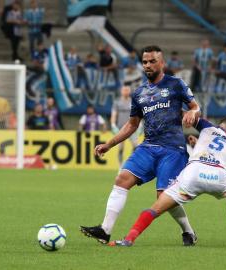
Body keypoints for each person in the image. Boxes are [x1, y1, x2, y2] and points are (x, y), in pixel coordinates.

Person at [80, 45, 201, 246]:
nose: (148, 65)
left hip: (172, 150)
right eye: (145, 62)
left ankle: (188, 231)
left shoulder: (176, 84)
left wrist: (192, 113)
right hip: (148, 146)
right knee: (122, 178)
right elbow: (132, 124)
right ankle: (105, 230)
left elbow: (196, 107)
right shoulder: (139, 93)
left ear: (162, 63)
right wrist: (109, 144)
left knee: (164, 197)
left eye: (152, 61)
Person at [108, 117, 226, 247]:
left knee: (156, 208)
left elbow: (189, 115)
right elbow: (219, 154)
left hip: (192, 174)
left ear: (220, 126)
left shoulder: (208, 128)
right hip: (218, 176)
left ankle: (129, 239)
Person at [110, 86, 140, 166]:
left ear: (129, 91)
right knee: (120, 148)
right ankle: (120, 166)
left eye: (127, 90)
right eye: (124, 90)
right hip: (121, 129)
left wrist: (140, 125)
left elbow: (139, 114)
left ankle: (131, 163)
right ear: (121, 91)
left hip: (132, 128)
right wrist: (113, 125)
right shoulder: (117, 102)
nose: (126, 91)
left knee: (135, 146)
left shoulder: (133, 102)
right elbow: (114, 114)